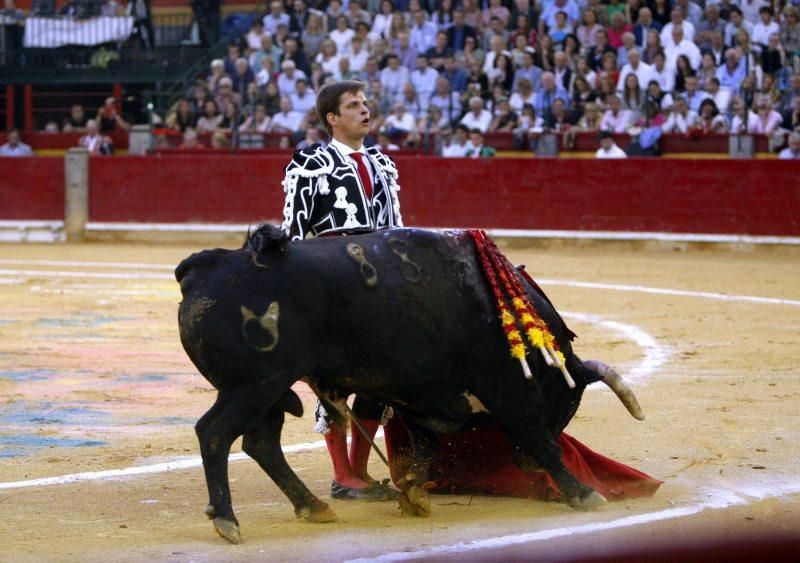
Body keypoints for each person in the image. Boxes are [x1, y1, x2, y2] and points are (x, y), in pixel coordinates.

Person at [280, 81, 403, 501]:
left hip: (378, 290)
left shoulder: (384, 164)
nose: (364, 110)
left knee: (379, 380)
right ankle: (340, 473)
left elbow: (396, 230)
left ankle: (361, 471)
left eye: (366, 103)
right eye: (354, 105)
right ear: (333, 118)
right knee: (333, 380)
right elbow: (296, 232)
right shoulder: (310, 163)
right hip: (330, 289)